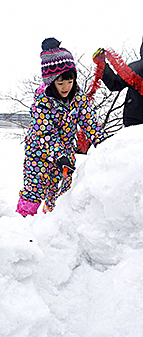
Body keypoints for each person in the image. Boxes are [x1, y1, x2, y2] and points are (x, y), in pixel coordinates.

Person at [16, 38, 108, 217]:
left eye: (70, 81)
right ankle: (22, 226)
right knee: (34, 191)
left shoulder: (78, 96)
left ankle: (51, 227)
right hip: (39, 154)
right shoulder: (42, 101)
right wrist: (59, 155)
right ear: (51, 81)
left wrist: (102, 141)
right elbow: (45, 133)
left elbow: (89, 121)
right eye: (60, 83)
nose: (66, 87)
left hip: (65, 155)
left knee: (60, 196)